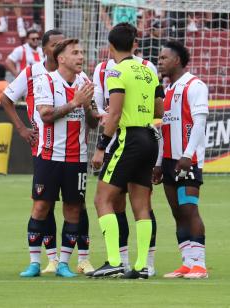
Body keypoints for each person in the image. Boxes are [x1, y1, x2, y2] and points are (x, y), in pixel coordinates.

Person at [1, 30, 95, 276]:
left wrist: (90, 109)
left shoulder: (85, 81)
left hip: (78, 157)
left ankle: (63, 262)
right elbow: (45, 115)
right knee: (42, 206)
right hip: (48, 154)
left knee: (74, 208)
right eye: (75, 52)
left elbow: (93, 122)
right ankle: (35, 261)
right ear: (59, 56)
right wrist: (75, 103)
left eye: (81, 52)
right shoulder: (43, 79)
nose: (80, 57)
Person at [89, 23, 164, 279]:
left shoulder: (116, 71)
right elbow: (159, 111)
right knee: (141, 204)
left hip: (129, 138)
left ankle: (113, 261)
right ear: (134, 43)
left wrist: (100, 147)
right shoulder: (147, 70)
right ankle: (142, 266)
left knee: (102, 199)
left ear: (110, 46)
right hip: (149, 138)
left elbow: (116, 113)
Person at [155, 40, 209, 279]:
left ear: (176, 60)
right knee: (177, 212)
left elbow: (199, 123)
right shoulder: (167, 91)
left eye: (163, 58)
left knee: (189, 209)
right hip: (168, 160)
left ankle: (200, 264)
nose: (160, 62)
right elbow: (164, 130)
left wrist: (187, 155)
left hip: (188, 159)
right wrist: (158, 163)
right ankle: (187, 263)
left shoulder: (195, 85)